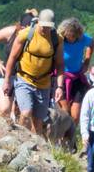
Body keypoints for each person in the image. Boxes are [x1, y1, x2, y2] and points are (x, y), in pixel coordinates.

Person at [4, 8, 61, 136]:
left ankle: (36, 148)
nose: (46, 29)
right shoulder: (25, 34)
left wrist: (59, 86)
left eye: (49, 27)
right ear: (38, 22)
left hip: (44, 83)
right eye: (43, 26)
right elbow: (12, 57)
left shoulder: (56, 39)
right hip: (24, 78)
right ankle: (20, 140)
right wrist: (7, 80)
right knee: (25, 113)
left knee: (38, 121)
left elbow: (60, 64)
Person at [0, 9, 38, 122]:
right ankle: (0, 131)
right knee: (4, 109)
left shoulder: (36, 36)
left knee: (23, 113)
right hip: (6, 73)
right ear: (20, 26)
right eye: (24, 29)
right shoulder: (11, 32)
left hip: (25, 77)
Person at [57, 18, 94, 126]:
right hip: (61, 78)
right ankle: (62, 139)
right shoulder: (59, 40)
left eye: (74, 36)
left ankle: (70, 139)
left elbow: (92, 44)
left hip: (77, 77)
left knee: (75, 116)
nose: (72, 38)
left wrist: (87, 61)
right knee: (65, 112)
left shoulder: (82, 39)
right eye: (69, 36)